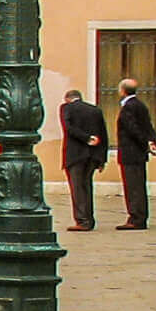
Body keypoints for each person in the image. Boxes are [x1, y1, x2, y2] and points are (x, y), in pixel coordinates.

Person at [58, 89, 108, 232]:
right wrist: (102, 158)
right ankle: (89, 219)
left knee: (77, 188)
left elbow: (68, 128)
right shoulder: (95, 110)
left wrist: (86, 138)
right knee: (87, 186)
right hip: (93, 155)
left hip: (75, 155)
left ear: (67, 99)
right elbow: (103, 134)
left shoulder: (66, 108)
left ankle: (82, 220)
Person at [115, 77, 156, 230]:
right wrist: (151, 141)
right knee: (138, 186)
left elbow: (132, 128)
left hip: (131, 152)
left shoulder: (129, 107)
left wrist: (144, 142)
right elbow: (148, 125)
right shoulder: (140, 105)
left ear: (123, 90)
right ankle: (139, 216)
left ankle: (136, 218)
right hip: (138, 153)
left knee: (133, 187)